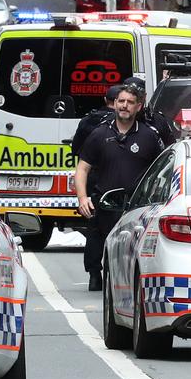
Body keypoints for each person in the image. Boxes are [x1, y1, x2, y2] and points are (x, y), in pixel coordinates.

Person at [75, 83, 163, 291]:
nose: (125, 106)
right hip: (105, 202)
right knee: (96, 240)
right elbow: (82, 169)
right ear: (114, 104)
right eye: (121, 101)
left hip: (137, 206)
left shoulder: (149, 136)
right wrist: (82, 198)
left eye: (130, 102)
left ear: (138, 106)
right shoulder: (98, 134)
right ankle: (95, 274)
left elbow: (162, 169)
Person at [123, 76, 175, 146]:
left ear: (144, 97)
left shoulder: (157, 120)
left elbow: (170, 148)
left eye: (138, 97)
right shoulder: (111, 124)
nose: (134, 100)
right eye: (129, 97)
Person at [71, 85, 120, 156]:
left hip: (87, 165)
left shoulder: (87, 119)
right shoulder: (122, 122)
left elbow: (75, 150)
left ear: (105, 99)